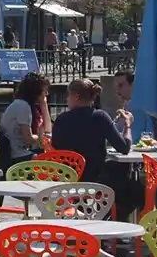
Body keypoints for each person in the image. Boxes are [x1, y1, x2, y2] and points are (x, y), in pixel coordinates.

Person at [51, 78, 140, 215]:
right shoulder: (100, 117)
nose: (67, 99)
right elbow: (124, 147)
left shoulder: (61, 119)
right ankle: (113, 217)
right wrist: (127, 125)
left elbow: (55, 146)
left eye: (68, 96)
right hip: (95, 179)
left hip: (68, 178)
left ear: (76, 96)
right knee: (127, 179)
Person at [0, 73, 50, 174]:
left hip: (15, 152)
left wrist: (44, 105)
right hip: (16, 156)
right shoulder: (23, 107)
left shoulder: (21, 104)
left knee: (45, 154)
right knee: (50, 162)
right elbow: (28, 139)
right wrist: (43, 138)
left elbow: (47, 130)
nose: (47, 94)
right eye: (45, 90)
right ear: (36, 92)